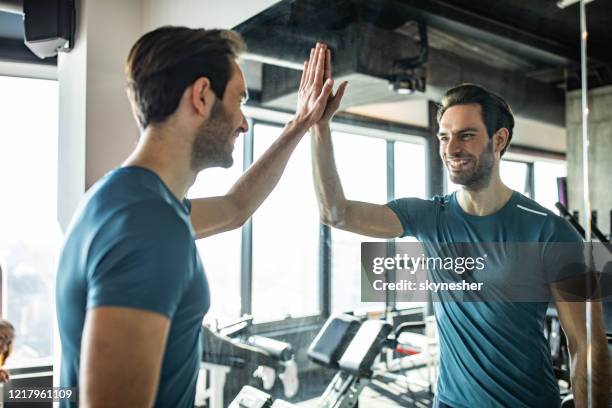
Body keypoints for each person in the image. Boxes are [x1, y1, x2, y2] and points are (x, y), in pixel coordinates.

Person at [56, 26, 339, 407]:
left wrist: (301, 123)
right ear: (202, 96)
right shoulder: (147, 227)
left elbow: (235, 208)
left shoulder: (128, 201)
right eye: (238, 101)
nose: (243, 123)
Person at [311, 59, 610, 407]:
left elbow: (588, 346)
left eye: (466, 135)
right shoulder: (426, 216)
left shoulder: (552, 231)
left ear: (499, 140)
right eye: (444, 136)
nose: (451, 149)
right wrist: (319, 129)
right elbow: (336, 213)